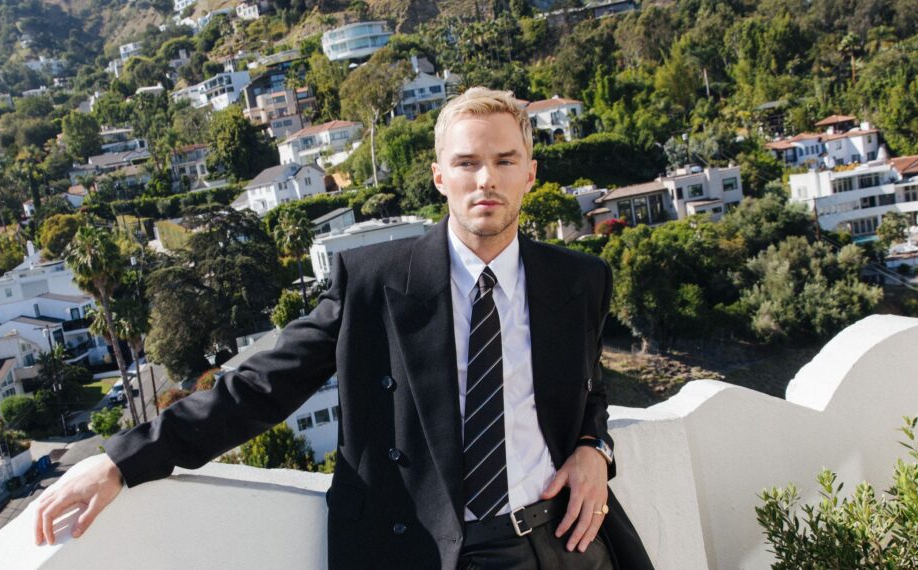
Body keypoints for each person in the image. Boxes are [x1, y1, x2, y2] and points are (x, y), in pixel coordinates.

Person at [34, 87, 651, 569]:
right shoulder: (374, 283)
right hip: (442, 552)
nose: (485, 179)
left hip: (566, 540)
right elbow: (262, 385)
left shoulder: (578, 280)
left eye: (503, 161)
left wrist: (594, 448)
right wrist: (123, 460)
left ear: (530, 173)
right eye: (467, 162)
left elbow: (588, 388)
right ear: (440, 177)